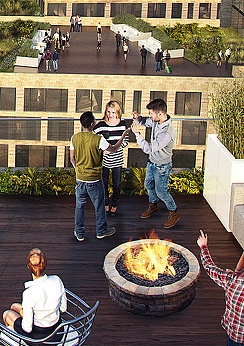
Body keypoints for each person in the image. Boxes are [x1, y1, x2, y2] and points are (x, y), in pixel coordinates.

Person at [1, 248, 67, 346]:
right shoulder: (57, 280)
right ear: (45, 264)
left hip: (41, 339)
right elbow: (63, 308)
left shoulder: (29, 293)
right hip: (58, 331)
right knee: (14, 306)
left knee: (6, 314)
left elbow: (27, 328)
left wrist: (25, 315)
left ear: (28, 267)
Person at [70, 111, 128, 241]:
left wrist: (78, 170)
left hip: (80, 180)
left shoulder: (74, 138)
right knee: (99, 206)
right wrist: (123, 136)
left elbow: (72, 158)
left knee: (80, 206)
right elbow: (113, 149)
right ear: (92, 124)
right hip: (95, 179)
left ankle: (79, 233)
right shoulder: (98, 139)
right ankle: (101, 231)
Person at [132, 98, 179, 228]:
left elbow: (149, 148)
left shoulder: (167, 133)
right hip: (152, 162)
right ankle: (153, 205)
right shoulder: (158, 121)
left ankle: (173, 212)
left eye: (151, 114)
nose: (150, 116)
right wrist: (138, 118)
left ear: (160, 114)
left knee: (162, 192)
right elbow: (147, 122)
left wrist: (137, 134)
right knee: (148, 184)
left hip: (162, 166)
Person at [93, 101, 131, 216]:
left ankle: (115, 204)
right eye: (109, 112)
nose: (111, 115)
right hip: (104, 161)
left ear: (118, 112)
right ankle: (105, 204)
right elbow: (93, 139)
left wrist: (114, 148)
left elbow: (125, 141)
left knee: (117, 184)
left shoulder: (123, 124)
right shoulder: (101, 125)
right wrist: (102, 150)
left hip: (117, 159)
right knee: (104, 183)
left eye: (113, 112)